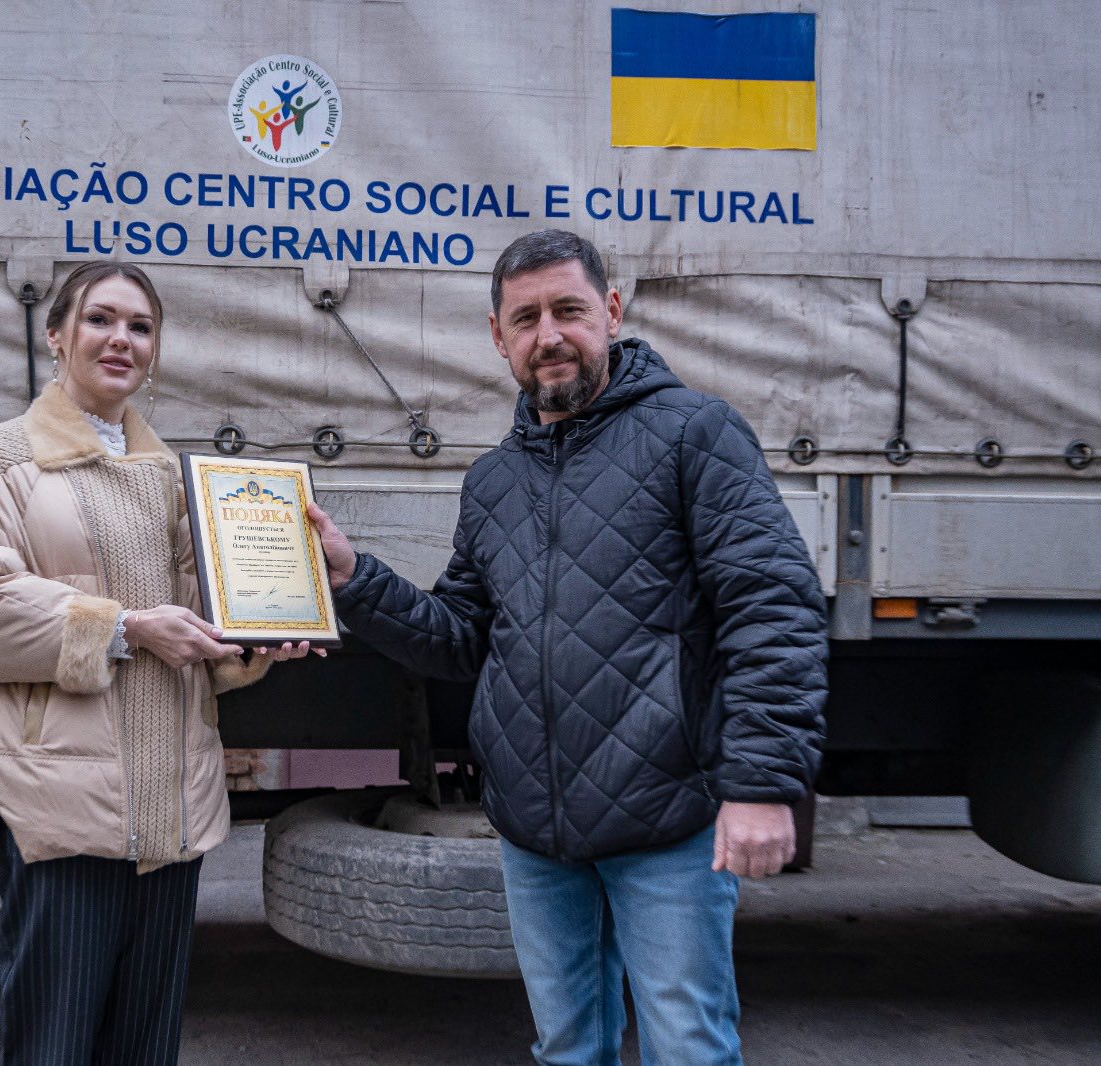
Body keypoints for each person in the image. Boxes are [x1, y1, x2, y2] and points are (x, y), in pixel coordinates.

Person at [308, 230, 828, 1065]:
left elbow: (773, 610)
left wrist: (762, 786)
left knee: (688, 1050)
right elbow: (459, 638)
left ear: (611, 313)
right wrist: (352, 578)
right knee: (566, 1050)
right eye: (526, 318)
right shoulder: (494, 481)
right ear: (498, 336)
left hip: (667, 817)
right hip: (535, 832)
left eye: (569, 310)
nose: (548, 335)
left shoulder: (695, 434)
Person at [0, 261, 316, 1065]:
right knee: (54, 1043)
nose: (120, 339)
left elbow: (199, 614)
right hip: (59, 804)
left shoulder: (173, 478)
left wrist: (253, 638)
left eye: (140, 326)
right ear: (55, 336)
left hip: (170, 806)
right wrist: (125, 628)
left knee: (144, 1046)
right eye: (100, 319)